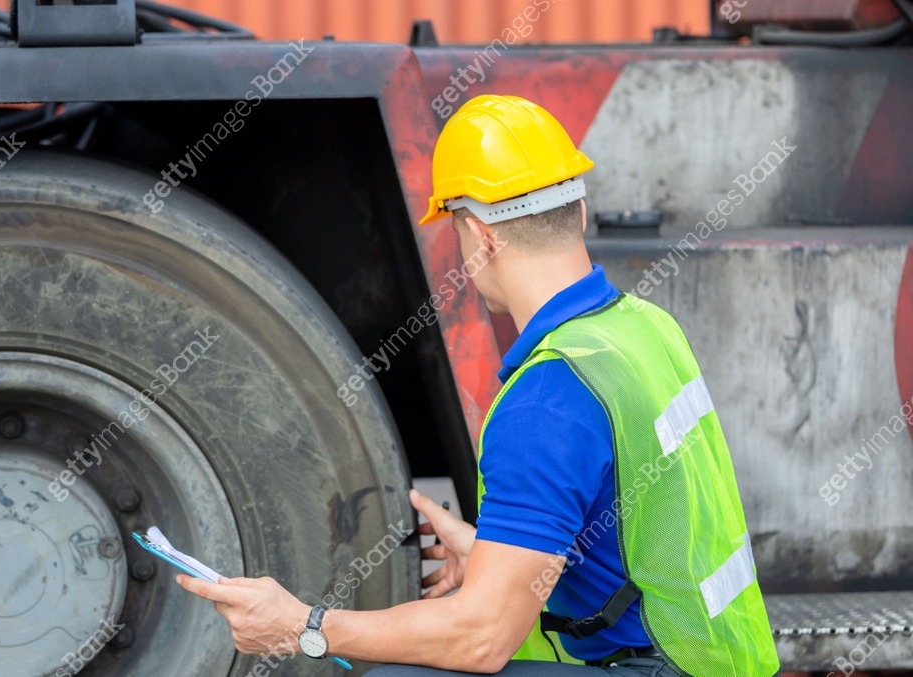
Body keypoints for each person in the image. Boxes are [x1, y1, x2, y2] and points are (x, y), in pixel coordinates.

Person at [177, 95, 781, 676]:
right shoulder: (644, 327)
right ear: (581, 211)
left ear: (483, 236)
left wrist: (305, 627)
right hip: (720, 660)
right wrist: (497, 555)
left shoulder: (547, 398)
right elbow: (640, 523)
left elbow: (484, 638)